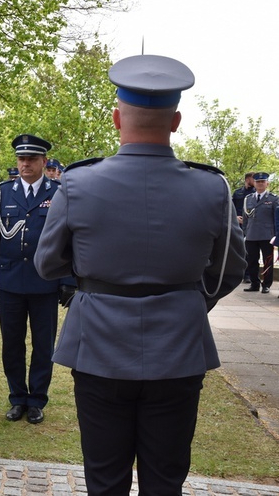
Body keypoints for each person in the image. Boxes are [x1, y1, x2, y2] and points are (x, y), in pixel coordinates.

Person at [34, 55, 246, 495]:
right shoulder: (212, 188)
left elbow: (47, 264)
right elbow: (230, 268)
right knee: (165, 480)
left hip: (98, 349)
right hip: (179, 349)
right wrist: (190, 299)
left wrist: (93, 279)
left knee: (105, 479)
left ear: (116, 118)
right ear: (177, 120)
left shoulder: (77, 184)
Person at [0, 134, 75, 424]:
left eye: (32, 159)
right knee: (12, 343)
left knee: (43, 345)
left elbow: (67, 239)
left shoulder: (58, 192)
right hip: (10, 281)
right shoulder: (3, 192)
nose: (25, 164)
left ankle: (37, 400)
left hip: (45, 282)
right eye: (21, 159)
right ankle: (17, 397)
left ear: (43, 161)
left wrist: (67, 280)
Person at [242, 172, 278, 294]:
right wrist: (245, 232)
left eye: (263, 182)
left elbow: (276, 218)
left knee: (268, 261)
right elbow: (245, 217)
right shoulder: (248, 199)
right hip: (251, 234)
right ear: (255, 184)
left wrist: (275, 235)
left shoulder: (273, 199)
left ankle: (266, 285)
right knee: (252, 260)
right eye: (258, 182)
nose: (260, 184)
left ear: (267, 183)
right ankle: (254, 283)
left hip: (267, 235)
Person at [234, 172, 255, 283]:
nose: (255, 181)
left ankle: (247, 275)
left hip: (251, 226)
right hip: (237, 225)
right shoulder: (237, 193)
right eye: (253, 179)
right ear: (247, 179)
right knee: (237, 250)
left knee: (249, 251)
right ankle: (237, 273)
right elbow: (230, 207)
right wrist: (235, 217)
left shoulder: (255, 194)